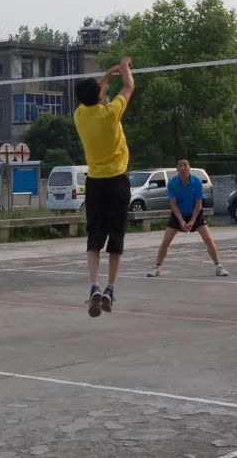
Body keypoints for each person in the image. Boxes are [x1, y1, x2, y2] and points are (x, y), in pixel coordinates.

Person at [73, 56, 135, 317]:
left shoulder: (80, 116)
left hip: (95, 184)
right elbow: (129, 87)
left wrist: (109, 74)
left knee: (94, 238)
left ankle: (94, 286)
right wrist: (124, 68)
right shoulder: (111, 113)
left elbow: (95, 91)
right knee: (116, 237)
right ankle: (110, 289)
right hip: (117, 181)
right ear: (100, 95)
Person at [146, 157, 229, 278]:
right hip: (178, 214)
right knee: (166, 240)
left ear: (189, 167)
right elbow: (174, 205)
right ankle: (156, 267)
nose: (183, 168)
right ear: (177, 168)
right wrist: (181, 221)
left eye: (185, 165)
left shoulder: (197, 182)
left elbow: (198, 204)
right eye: (180, 165)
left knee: (208, 239)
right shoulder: (172, 183)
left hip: (195, 213)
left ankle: (219, 266)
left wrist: (192, 221)